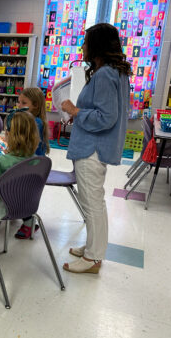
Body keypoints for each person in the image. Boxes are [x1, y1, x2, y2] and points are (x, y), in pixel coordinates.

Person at [60, 23, 131, 274]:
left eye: (87, 42)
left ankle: (93, 258)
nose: (83, 46)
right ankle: (92, 247)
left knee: (92, 203)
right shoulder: (116, 72)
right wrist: (80, 116)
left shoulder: (104, 74)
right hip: (97, 146)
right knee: (93, 201)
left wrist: (75, 111)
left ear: (98, 45)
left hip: (93, 148)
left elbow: (106, 117)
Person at [12, 87, 50, 239]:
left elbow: (26, 147)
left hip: (32, 168)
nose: (19, 105)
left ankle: (28, 223)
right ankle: (25, 217)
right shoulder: (33, 120)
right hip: (31, 165)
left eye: (24, 103)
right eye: (19, 102)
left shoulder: (34, 122)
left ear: (35, 105)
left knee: (15, 189)